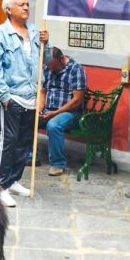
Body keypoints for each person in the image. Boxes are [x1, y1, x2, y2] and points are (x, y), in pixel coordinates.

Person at [0, 0, 50, 207]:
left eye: (27, 4)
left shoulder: (35, 31)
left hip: (31, 96)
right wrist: (4, 97)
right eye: (21, 5)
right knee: (9, 141)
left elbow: (47, 59)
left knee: (24, 143)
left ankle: (13, 180)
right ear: (8, 9)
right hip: (12, 97)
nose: (26, 7)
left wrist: (46, 43)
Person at [39, 47, 87, 176]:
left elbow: (77, 100)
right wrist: (39, 109)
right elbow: (43, 92)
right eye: (48, 66)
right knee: (28, 117)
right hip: (49, 110)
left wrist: (56, 113)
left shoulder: (76, 69)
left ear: (61, 59)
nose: (50, 69)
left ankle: (58, 164)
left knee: (53, 125)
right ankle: (30, 156)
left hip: (71, 113)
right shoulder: (47, 68)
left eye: (53, 66)